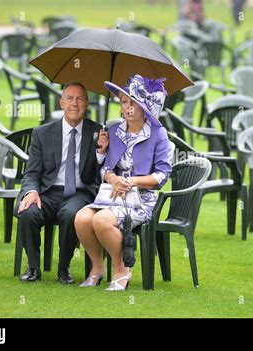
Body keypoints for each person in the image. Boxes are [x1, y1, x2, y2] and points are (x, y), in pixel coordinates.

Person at [75, 74, 172, 291]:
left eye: (133, 103)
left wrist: (131, 181)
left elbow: (163, 174)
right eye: (123, 102)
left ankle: (121, 270)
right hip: (112, 194)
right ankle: (97, 268)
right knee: (81, 219)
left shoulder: (158, 134)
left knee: (100, 221)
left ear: (144, 107)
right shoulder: (115, 131)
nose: (127, 108)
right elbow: (106, 168)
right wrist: (112, 177)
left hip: (142, 200)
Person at [17, 81, 108, 284]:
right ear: (61, 103)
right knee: (28, 212)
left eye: (80, 99)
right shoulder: (42, 133)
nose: (74, 103)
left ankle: (63, 268)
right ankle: (33, 267)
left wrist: (101, 154)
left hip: (80, 192)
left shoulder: (98, 133)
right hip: (48, 192)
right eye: (69, 98)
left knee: (70, 214)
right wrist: (31, 191)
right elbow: (31, 172)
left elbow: (100, 175)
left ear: (86, 103)